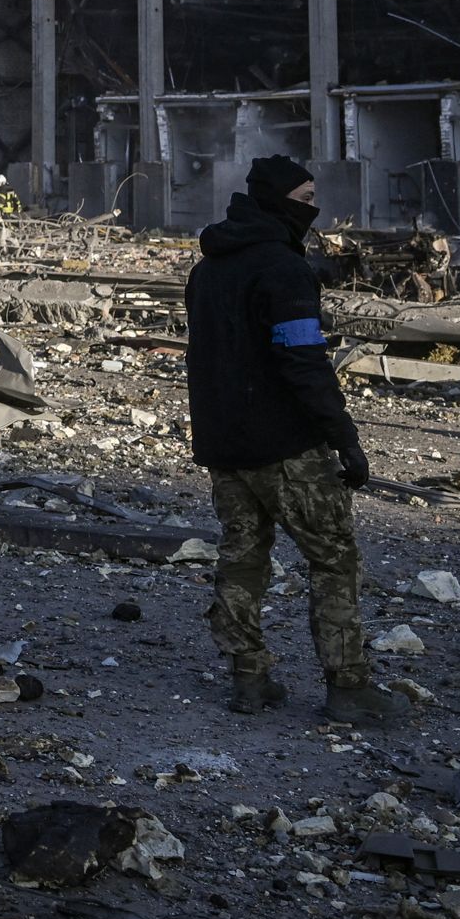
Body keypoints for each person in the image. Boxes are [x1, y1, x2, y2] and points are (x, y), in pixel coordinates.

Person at [185, 155, 408, 727]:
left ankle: (249, 678)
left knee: (242, 558)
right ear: (280, 201)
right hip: (284, 446)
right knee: (333, 559)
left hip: (222, 443)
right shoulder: (283, 270)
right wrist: (345, 439)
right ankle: (348, 686)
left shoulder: (209, 268)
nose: (313, 205)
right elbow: (303, 362)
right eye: (305, 195)